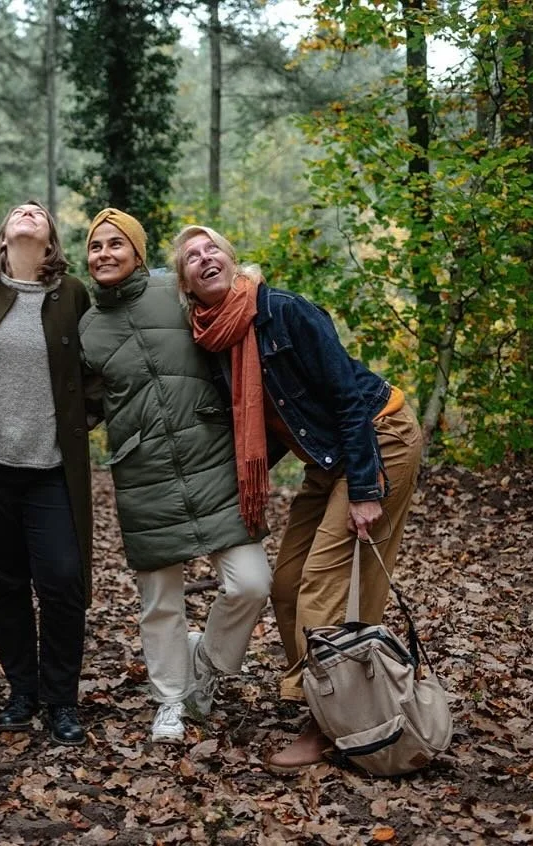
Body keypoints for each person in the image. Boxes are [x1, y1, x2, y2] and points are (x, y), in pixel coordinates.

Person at [172, 224, 423, 771]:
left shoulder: (283, 312)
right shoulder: (216, 341)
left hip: (380, 437)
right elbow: (274, 425)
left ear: (232, 260)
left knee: (322, 586)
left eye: (212, 247)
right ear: (186, 284)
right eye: (191, 256)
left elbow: (346, 399)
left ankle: (331, 723)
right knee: (285, 585)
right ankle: (320, 696)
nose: (204, 256)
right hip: (326, 459)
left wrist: (363, 489)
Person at [78, 209, 270, 744]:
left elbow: (230, 304)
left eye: (117, 244)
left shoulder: (174, 293)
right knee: (160, 601)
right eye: (96, 247)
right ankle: (169, 701)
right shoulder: (87, 328)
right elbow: (85, 404)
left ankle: (205, 665)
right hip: (144, 474)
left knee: (252, 582)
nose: (105, 254)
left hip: (212, 461)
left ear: (138, 253)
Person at [0, 201, 95, 746]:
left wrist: (82, 419)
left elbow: (93, 371)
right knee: (6, 584)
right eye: (18, 210)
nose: (28, 213)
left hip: (50, 467)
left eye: (38, 211)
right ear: (3, 233)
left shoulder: (71, 294)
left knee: (62, 582)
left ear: (50, 238)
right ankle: (21, 693)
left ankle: (61, 700)